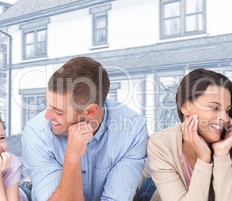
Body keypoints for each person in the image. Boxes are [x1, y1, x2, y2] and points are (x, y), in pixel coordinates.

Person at [22, 57, 148, 201]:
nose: (47, 115)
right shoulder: (36, 133)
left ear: (90, 111)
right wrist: (72, 157)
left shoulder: (132, 130)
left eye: (58, 111)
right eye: (48, 104)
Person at [146, 68, 232, 200]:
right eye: (214, 108)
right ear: (185, 107)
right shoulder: (160, 143)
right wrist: (204, 158)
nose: (224, 118)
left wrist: (222, 155)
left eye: (227, 110)